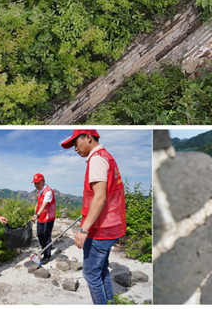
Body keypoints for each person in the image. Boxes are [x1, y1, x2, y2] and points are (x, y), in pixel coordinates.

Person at [61, 129, 126, 305]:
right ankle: (111, 302)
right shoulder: (106, 157)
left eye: (76, 143)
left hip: (102, 229)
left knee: (90, 273)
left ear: (89, 138)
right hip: (112, 225)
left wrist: (83, 229)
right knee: (102, 269)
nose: (75, 149)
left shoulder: (97, 159)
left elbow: (100, 197)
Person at [32, 172, 56, 264]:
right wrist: (35, 212)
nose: (36, 185)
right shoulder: (39, 191)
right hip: (40, 216)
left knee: (46, 235)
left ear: (43, 182)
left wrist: (37, 215)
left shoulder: (48, 191)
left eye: (37, 183)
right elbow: (38, 203)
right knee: (39, 234)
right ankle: (44, 249)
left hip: (48, 217)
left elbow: (44, 204)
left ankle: (47, 255)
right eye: (35, 183)